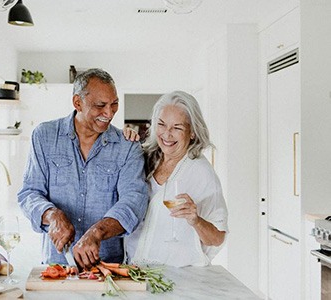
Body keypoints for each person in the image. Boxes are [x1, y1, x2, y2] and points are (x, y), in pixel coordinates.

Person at [17, 68, 148, 269]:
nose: (109, 113)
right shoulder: (44, 136)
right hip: (56, 265)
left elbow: (133, 202)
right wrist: (52, 215)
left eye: (114, 104)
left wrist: (97, 232)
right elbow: (29, 193)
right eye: (100, 105)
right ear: (77, 102)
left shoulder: (128, 146)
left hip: (107, 267)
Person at [124, 91, 228, 267]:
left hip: (175, 276)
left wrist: (196, 220)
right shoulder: (144, 158)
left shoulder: (201, 173)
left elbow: (217, 238)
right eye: (162, 125)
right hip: (133, 268)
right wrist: (123, 141)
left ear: (193, 132)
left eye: (177, 128)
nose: (167, 134)